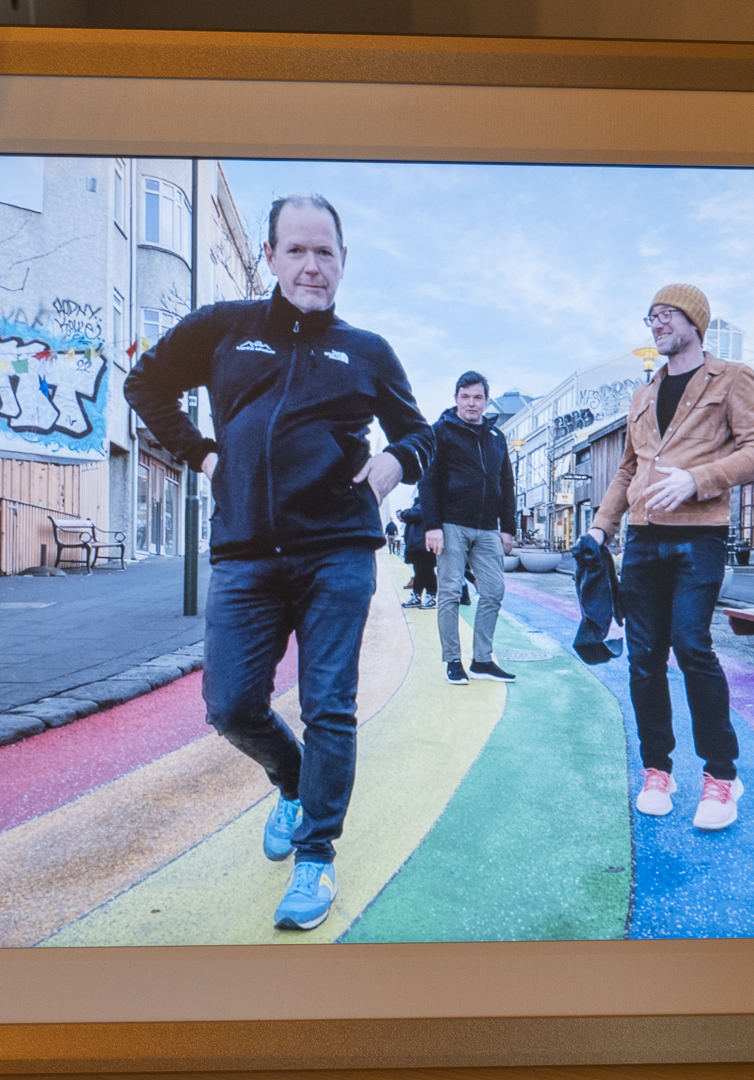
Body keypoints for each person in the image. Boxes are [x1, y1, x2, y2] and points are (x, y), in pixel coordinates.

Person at [123, 193, 434, 931]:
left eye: (325, 252)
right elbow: (145, 384)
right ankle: (292, 782)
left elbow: (421, 433)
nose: (311, 265)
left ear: (344, 260)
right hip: (245, 553)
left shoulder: (367, 350)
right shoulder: (225, 328)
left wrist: (396, 461)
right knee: (230, 705)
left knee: (329, 705)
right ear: (270, 256)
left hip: (337, 552)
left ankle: (316, 855)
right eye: (296, 250)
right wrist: (202, 454)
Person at [581, 284, 754, 831]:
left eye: (666, 314)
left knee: (691, 646)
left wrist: (698, 479)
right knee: (644, 659)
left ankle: (720, 775)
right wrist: (600, 527)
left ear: (694, 321)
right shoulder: (642, 395)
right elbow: (628, 469)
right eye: (651, 317)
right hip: (642, 539)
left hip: (699, 535)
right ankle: (656, 771)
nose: (657, 324)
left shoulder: (733, 378)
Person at [422, 371, 519, 685]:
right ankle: (453, 660)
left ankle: (482, 660)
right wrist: (432, 525)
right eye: (465, 397)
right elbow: (428, 481)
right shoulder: (441, 431)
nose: (471, 403)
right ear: (456, 399)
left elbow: (507, 482)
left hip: (488, 528)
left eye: (477, 397)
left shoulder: (496, 437)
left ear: (486, 401)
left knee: (494, 591)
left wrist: (508, 528)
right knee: (450, 592)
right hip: (451, 524)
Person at [398, 501, 438, 608]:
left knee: (427, 571)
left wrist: (402, 514)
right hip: (419, 543)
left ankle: (430, 596)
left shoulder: (425, 501)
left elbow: (414, 514)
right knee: (420, 571)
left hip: (423, 543)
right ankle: (418, 595)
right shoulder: (421, 502)